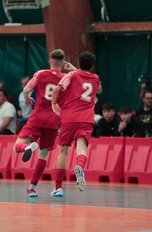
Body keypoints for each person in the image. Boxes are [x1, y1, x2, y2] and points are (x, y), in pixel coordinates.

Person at [13, 49, 75, 198]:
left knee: (17, 147)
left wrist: (29, 99)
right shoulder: (67, 78)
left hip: (38, 117)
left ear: (50, 61)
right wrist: (73, 69)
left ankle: (28, 146)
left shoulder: (40, 74)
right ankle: (32, 188)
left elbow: (26, 90)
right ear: (63, 62)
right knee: (44, 154)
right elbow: (84, 77)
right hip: (54, 120)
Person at [51, 51, 101, 197]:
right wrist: (77, 69)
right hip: (86, 118)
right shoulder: (96, 78)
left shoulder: (72, 75)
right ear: (92, 66)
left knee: (63, 150)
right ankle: (79, 166)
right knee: (82, 147)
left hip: (69, 117)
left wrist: (54, 103)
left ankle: (58, 188)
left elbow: (57, 89)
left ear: (79, 63)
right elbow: (99, 89)